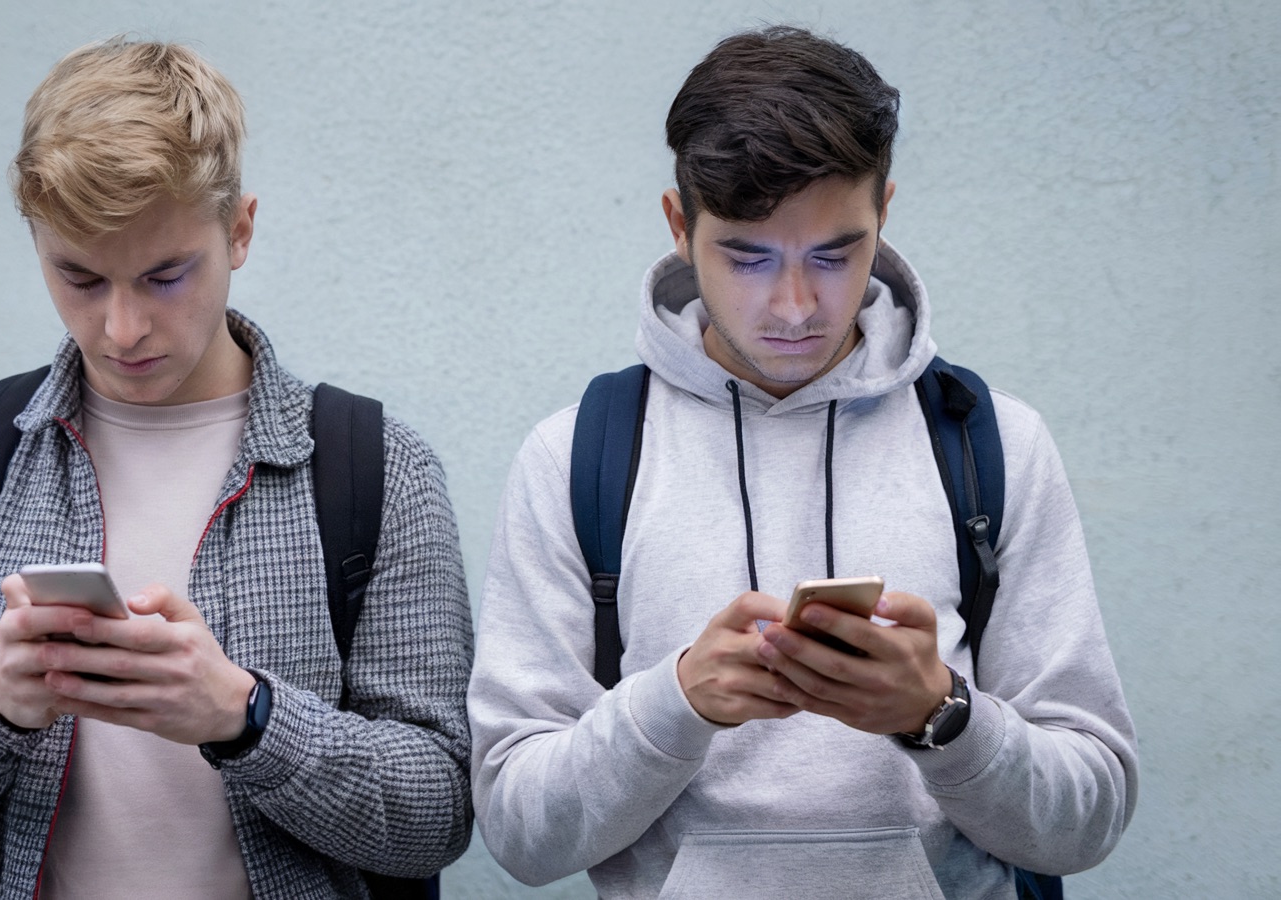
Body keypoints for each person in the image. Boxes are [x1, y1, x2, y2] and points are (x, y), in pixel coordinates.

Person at [468, 25, 1137, 899]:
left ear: (884, 214)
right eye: (747, 256)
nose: (793, 307)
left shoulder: (993, 443)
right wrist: (676, 703)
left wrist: (940, 717)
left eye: (835, 255)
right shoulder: (578, 454)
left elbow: (1089, 821)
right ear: (680, 225)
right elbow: (518, 833)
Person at [0, 38, 472, 899]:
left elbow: (442, 810)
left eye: (165, 276)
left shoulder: (377, 466)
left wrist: (245, 718)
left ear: (239, 230)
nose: (122, 329)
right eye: (79, 277)